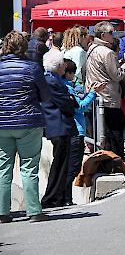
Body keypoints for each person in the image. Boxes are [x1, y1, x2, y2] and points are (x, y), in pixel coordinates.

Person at [0, 31, 51, 223]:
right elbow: (45, 96)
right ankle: (33, 211)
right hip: (28, 122)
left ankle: (2, 212)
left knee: (3, 167)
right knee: (29, 167)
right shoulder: (32, 68)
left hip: (2, 123)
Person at [85, 21, 125, 159]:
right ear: (103, 35)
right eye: (111, 33)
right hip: (108, 99)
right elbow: (117, 75)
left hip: (96, 97)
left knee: (102, 134)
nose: (113, 35)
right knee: (115, 134)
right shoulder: (107, 52)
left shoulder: (92, 48)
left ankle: (107, 162)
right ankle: (116, 164)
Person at [62, 59, 104, 206]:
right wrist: (92, 94)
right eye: (72, 73)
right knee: (73, 167)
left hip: (67, 131)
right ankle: (66, 198)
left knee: (67, 166)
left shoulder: (63, 87)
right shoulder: (68, 89)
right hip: (76, 131)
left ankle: (65, 197)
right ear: (68, 73)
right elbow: (80, 107)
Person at [41, 50, 78, 209]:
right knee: (60, 164)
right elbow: (67, 104)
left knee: (63, 163)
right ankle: (51, 198)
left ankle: (59, 196)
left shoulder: (54, 80)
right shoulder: (52, 82)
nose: (65, 66)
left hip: (60, 125)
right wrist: (70, 100)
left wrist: (71, 100)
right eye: (62, 63)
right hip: (59, 125)